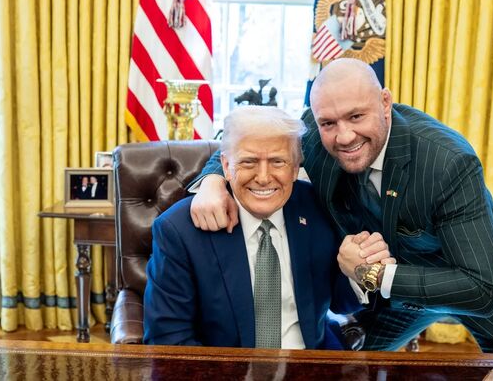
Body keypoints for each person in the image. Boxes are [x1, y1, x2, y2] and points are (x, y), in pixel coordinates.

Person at [189, 58, 493, 353]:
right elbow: (251, 140)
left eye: (357, 117)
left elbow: (482, 288)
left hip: (485, 284)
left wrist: (372, 274)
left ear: (385, 103)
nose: (344, 136)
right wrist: (212, 181)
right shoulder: (316, 129)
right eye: (329, 122)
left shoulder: (447, 161)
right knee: (349, 366)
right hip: (398, 295)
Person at [143, 105, 393, 349]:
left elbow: (339, 302)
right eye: (248, 162)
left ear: (295, 168)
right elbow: (168, 340)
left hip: (310, 362)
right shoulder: (179, 230)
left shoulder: (320, 208)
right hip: (225, 369)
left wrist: (357, 273)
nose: (263, 177)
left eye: (277, 162)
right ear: (226, 166)